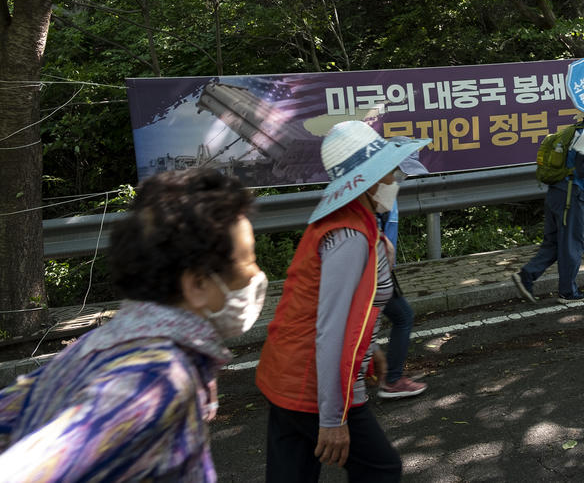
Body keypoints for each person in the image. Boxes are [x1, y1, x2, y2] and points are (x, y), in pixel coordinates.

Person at [0, 168, 266, 481]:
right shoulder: (157, 378)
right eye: (248, 261)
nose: (255, 275)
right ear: (197, 284)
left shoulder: (97, 345)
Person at [256, 120, 429, 482]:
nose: (396, 178)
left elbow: (347, 313)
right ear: (369, 179)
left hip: (287, 374)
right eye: (389, 171)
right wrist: (334, 418)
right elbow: (331, 329)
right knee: (381, 468)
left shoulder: (355, 222)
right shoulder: (349, 235)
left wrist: (372, 347)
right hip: (311, 383)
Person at [511, 115, 584, 304]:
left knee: (553, 243)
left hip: (556, 191)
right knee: (572, 243)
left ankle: (526, 276)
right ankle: (568, 292)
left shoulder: (571, 130)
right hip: (572, 195)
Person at [375, 149, 429, 400]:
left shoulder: (383, 187)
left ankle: (386, 375)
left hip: (378, 271)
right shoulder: (381, 190)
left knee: (373, 326)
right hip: (374, 272)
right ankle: (392, 379)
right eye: (402, 171)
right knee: (402, 317)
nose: (404, 176)